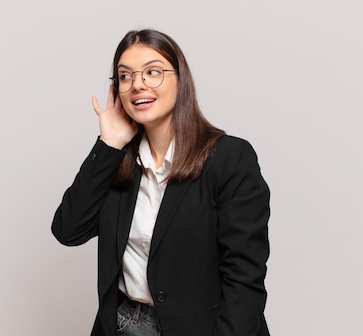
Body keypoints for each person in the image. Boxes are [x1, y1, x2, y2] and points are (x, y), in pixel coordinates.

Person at [52, 29, 271, 336]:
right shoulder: (117, 161)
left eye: (153, 72)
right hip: (124, 325)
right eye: (125, 77)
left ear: (181, 81)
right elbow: (68, 230)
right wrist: (109, 145)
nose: (137, 84)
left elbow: (244, 279)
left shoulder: (229, 158)